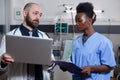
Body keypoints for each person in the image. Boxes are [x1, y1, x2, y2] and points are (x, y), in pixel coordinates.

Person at [0, 2, 55, 80]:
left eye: (40, 15)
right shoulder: (9, 37)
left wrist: (50, 64)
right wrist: (2, 62)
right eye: (35, 13)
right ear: (25, 13)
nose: (38, 17)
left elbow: (51, 65)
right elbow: (1, 68)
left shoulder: (44, 37)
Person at [70, 2, 116, 80]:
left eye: (79, 20)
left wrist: (91, 68)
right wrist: (66, 66)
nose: (76, 24)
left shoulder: (103, 42)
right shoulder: (76, 42)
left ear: (89, 21)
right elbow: (73, 63)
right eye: (76, 21)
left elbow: (110, 66)